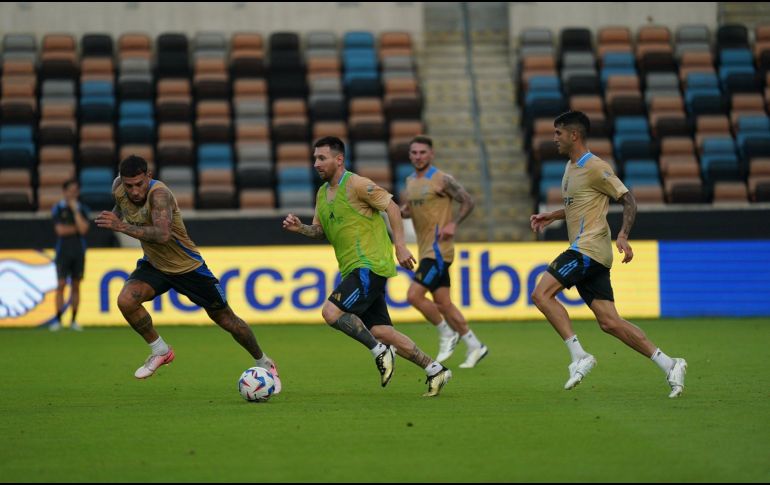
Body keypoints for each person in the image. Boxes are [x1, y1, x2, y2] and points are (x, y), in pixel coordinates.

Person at [530, 111, 687, 398]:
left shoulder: (595, 167)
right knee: (609, 322)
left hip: (587, 249)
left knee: (541, 295)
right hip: (592, 253)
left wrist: (623, 235)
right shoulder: (570, 167)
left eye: (558, 133)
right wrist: (553, 215)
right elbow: (582, 205)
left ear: (574, 135)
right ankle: (670, 363)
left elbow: (628, 199)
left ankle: (579, 355)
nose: (554, 138)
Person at [282, 136, 452, 397]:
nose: (316, 163)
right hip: (353, 268)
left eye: (321, 158)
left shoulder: (358, 184)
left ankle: (379, 352)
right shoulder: (322, 194)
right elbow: (319, 231)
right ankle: (435, 369)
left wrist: (400, 246)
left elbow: (392, 208)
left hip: (370, 265)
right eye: (315, 158)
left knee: (331, 313)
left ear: (339, 160)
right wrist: (300, 229)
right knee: (381, 331)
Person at [95, 155, 281, 390]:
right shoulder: (118, 188)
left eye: (139, 184)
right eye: (129, 185)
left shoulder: (160, 195)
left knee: (227, 320)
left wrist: (120, 226)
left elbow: (162, 236)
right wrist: (114, 218)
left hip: (188, 267)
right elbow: (121, 207)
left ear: (149, 177)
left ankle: (264, 361)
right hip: (155, 265)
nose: (133, 191)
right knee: (126, 300)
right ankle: (159, 350)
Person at [400, 135, 488, 367]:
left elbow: (468, 201)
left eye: (422, 152)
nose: (418, 157)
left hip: (439, 251)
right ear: (410, 156)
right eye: (414, 153)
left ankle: (446, 333)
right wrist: (399, 212)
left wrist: (454, 224)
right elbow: (411, 211)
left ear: (431, 154)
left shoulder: (442, 179)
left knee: (414, 296)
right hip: (425, 249)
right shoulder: (409, 182)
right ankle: (474, 345)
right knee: (444, 304)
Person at [50, 179, 90, 331]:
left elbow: (84, 230)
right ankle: (59, 320)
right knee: (61, 285)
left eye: (75, 190)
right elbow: (60, 231)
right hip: (63, 252)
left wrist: (75, 211)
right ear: (64, 191)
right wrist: (77, 228)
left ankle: (73, 320)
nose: (73, 193)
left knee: (76, 285)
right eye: (70, 190)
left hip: (78, 251)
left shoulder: (82, 209)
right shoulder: (58, 209)